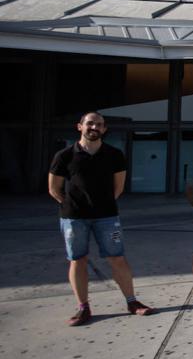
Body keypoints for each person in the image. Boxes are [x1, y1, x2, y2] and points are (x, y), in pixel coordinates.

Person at [48, 112, 153, 326]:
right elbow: (54, 189)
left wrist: (102, 205)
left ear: (104, 129)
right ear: (80, 127)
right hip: (74, 219)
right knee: (78, 260)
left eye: (99, 124)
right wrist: (72, 206)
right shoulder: (64, 156)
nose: (94, 127)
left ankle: (132, 302)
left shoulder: (114, 154)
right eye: (90, 123)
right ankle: (83, 308)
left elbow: (119, 188)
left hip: (107, 218)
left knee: (117, 257)